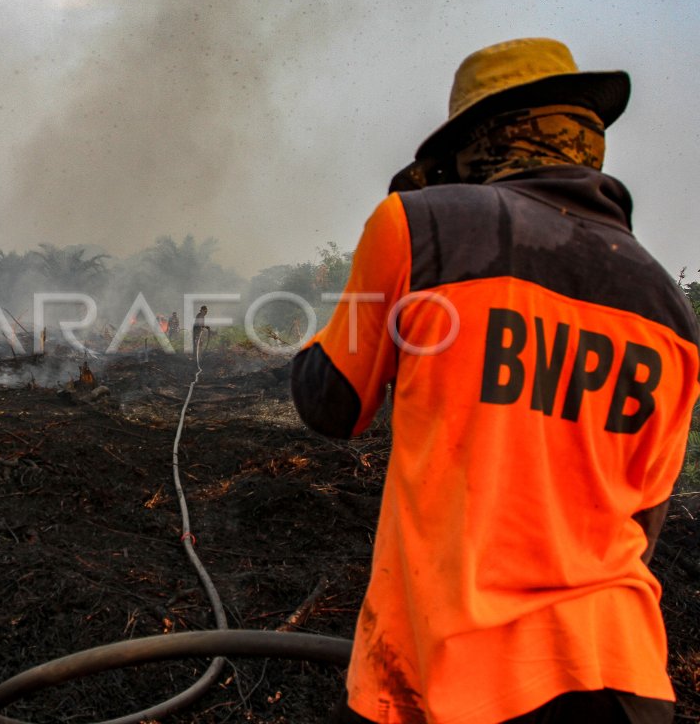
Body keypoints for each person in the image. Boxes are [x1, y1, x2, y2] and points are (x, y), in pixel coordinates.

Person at [290, 38, 700, 724]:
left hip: (453, 674)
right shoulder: (668, 303)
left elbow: (331, 403)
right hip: (625, 677)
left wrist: (316, 328)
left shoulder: (422, 226)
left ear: (474, 142)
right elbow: (645, 515)